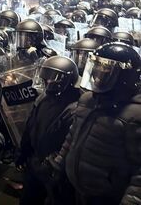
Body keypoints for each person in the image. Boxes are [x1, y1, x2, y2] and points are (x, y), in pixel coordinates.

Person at [51, 42, 141, 205]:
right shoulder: (88, 99)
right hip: (76, 189)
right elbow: (73, 136)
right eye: (97, 68)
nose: (98, 76)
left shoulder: (135, 116)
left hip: (106, 198)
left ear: (124, 78)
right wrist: (59, 164)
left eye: (106, 71)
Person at [16, 56, 82, 205]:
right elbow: (31, 126)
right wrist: (23, 152)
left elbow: (70, 144)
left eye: (53, 79)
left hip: (54, 172)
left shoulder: (75, 108)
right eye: (46, 78)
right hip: (35, 163)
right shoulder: (43, 98)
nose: (48, 82)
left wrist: (51, 166)